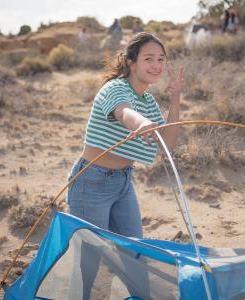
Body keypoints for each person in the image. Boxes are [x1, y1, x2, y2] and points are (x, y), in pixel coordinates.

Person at [67, 32, 183, 299]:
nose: (156, 65)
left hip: (122, 183)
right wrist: (140, 124)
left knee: (134, 251)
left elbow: (168, 143)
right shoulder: (115, 89)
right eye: (148, 59)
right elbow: (124, 112)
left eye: (161, 59)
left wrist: (175, 98)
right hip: (90, 182)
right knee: (90, 260)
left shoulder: (149, 101)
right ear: (131, 63)